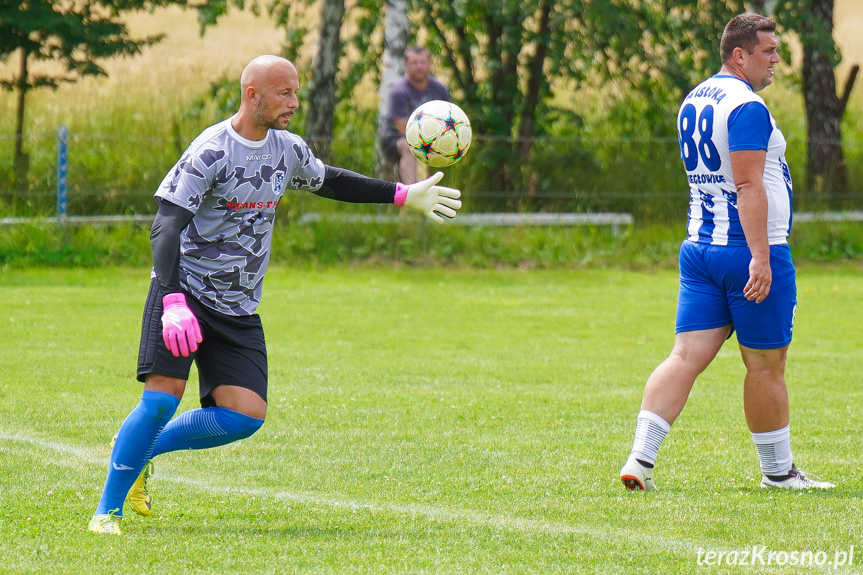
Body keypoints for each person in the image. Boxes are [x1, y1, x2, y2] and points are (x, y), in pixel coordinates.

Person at [88, 54, 462, 535]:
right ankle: (106, 512)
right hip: (185, 293)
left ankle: (141, 451)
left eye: (297, 91)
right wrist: (173, 302)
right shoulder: (212, 150)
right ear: (253, 95)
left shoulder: (287, 149)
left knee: (245, 415)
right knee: (162, 400)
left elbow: (330, 180)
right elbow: (165, 225)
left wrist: (403, 195)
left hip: (238, 306)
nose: (295, 102)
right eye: (285, 93)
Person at [618, 13, 833, 492]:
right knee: (764, 365)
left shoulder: (695, 97)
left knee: (685, 355)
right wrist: (760, 255)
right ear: (741, 54)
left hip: (700, 247)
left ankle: (640, 458)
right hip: (749, 251)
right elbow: (747, 184)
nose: (776, 59)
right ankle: (778, 473)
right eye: (768, 51)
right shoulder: (747, 106)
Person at [384, 46, 450, 184]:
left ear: (429, 63)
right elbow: (405, 131)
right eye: (415, 63)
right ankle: (411, 194)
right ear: (406, 65)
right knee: (410, 148)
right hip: (396, 138)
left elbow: (449, 120)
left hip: (433, 136)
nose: (419, 66)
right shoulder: (398, 92)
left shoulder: (439, 89)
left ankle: (442, 192)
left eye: (423, 62)